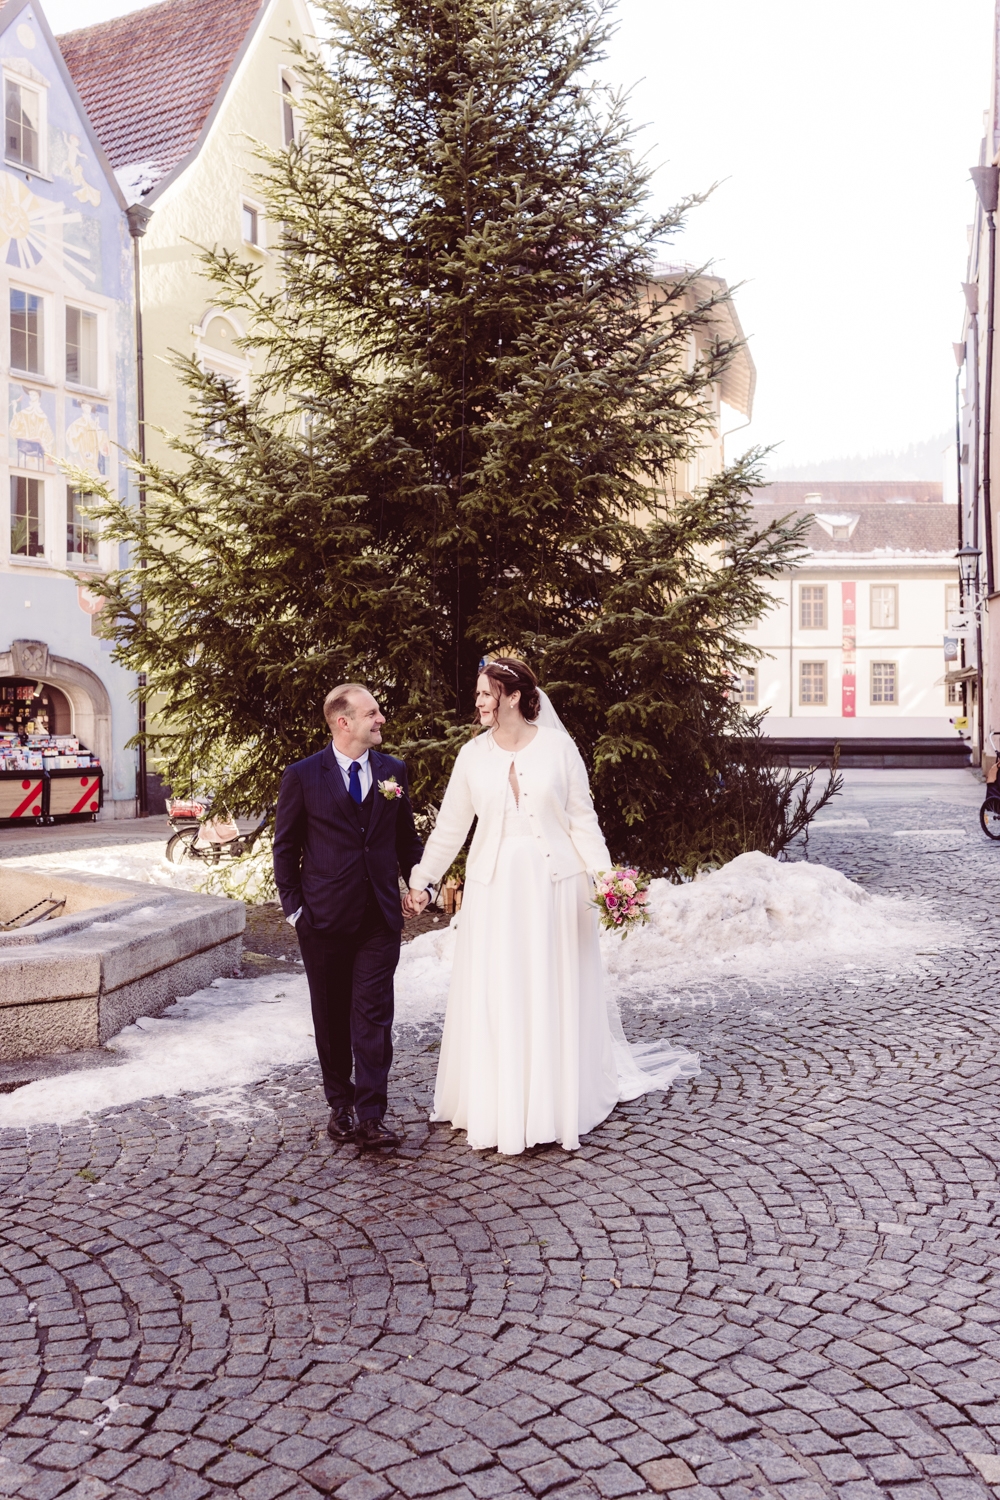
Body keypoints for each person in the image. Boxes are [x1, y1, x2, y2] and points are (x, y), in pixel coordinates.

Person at [407, 658, 699, 1156]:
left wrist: (610, 883)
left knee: (547, 986)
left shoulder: (560, 749)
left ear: (513, 697)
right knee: (499, 991)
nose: (477, 703)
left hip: (554, 887)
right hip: (495, 890)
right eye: (477, 694)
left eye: (484, 694)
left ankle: (552, 1101)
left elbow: (582, 820)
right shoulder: (471, 756)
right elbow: (451, 827)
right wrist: (423, 880)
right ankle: (498, 1102)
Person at [273, 683, 425, 1149]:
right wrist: (296, 909)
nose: (381, 720)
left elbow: (406, 842)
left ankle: (372, 1114)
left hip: (379, 918)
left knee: (374, 1017)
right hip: (323, 921)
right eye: (372, 713)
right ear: (344, 722)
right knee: (333, 1017)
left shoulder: (392, 771)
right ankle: (340, 1106)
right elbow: (285, 847)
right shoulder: (303, 776)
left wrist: (420, 883)